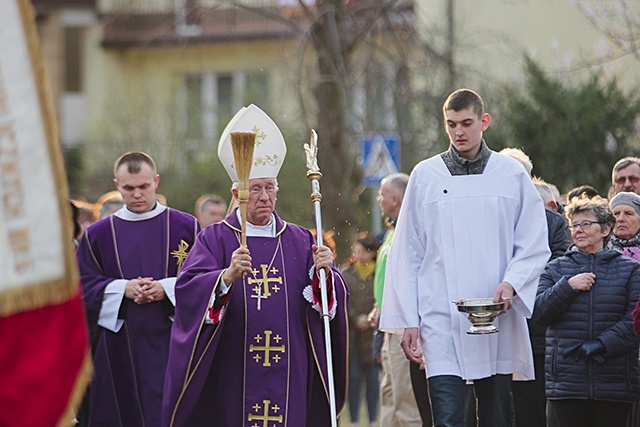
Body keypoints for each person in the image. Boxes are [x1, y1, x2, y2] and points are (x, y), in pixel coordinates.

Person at [162, 104, 349, 427]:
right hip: (233, 363)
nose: (264, 196)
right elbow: (188, 290)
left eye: (270, 188)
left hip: (290, 364)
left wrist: (326, 273)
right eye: (256, 189)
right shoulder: (215, 239)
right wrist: (225, 277)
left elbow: (326, 307)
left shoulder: (300, 239)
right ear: (238, 193)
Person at [380, 88, 550, 427]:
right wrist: (407, 321)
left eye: (467, 123)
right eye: (451, 124)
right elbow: (408, 252)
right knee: (446, 416)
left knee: (496, 415)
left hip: (495, 312)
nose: (459, 132)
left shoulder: (510, 175)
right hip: (440, 313)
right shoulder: (426, 176)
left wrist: (513, 283)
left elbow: (532, 240)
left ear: (484, 121)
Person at [76, 151, 200, 426]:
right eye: (128, 188)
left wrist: (166, 289)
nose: (137, 194)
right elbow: (82, 285)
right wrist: (123, 289)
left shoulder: (186, 227)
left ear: (156, 181)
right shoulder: (98, 234)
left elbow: (204, 279)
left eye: (144, 186)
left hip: (173, 341)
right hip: (119, 348)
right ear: (117, 185)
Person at [534, 195, 640, 427]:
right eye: (574, 225)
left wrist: (602, 345)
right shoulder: (555, 269)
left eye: (585, 224)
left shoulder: (630, 270)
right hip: (566, 382)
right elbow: (539, 312)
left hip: (614, 381)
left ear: (605, 229)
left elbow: (635, 321)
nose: (578, 230)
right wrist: (567, 286)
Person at [371, 172, 428, 427]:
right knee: (389, 392)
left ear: (396, 198)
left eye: (382, 194)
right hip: (387, 320)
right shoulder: (392, 230)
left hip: (403, 322)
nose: (378, 199)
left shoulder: (412, 229)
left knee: (406, 397)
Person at [342, 232, 380, 427]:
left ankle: (373, 419)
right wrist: (356, 318)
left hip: (373, 335)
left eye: (364, 252)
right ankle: (355, 419)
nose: (361, 256)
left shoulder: (379, 273)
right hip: (353, 335)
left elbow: (380, 297)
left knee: (373, 379)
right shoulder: (346, 274)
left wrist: (373, 315)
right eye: (358, 251)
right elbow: (343, 300)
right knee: (354, 378)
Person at [609, 192, 640, 427]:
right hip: (609, 346)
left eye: (628, 213)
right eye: (615, 214)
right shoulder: (598, 253)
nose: (621, 218)